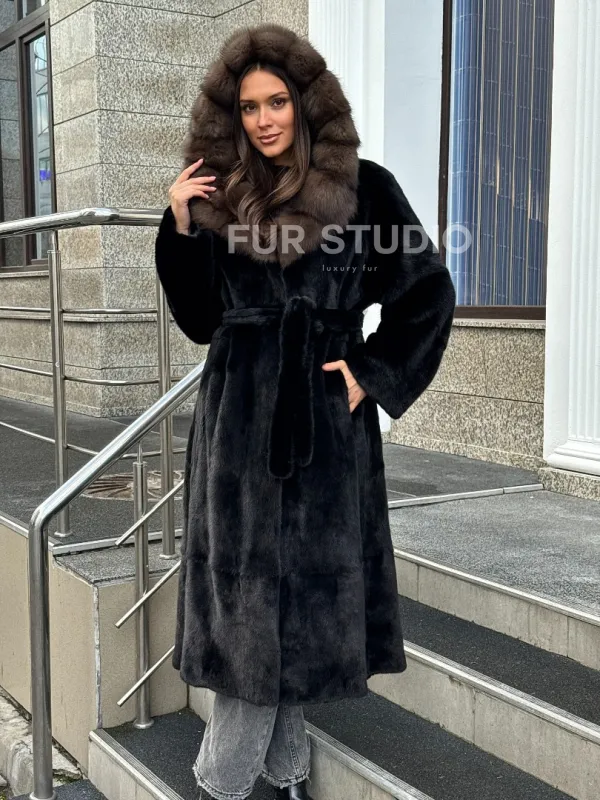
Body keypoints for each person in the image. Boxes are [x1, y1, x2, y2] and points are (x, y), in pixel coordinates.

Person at [154, 22, 456, 800]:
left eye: (277, 101)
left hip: (322, 425)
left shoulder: (366, 189)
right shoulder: (220, 194)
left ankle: (236, 783)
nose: (264, 120)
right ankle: (278, 777)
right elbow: (199, 320)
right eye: (249, 106)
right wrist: (180, 225)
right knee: (250, 619)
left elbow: (426, 292)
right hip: (237, 431)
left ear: (306, 102)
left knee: (283, 618)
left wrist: (371, 373)